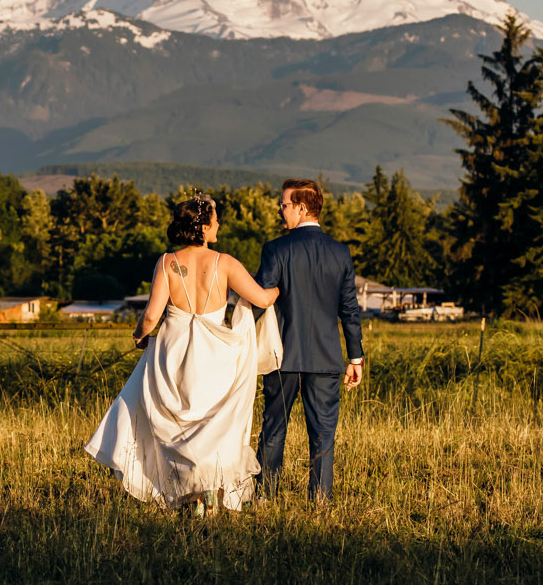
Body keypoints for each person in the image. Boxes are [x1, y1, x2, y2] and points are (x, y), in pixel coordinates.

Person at [84, 194, 281, 516]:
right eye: (215, 219)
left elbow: (151, 315)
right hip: (216, 357)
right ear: (203, 226)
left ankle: (182, 496)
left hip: (173, 354)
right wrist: (277, 287)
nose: (218, 224)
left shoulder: (167, 263)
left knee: (170, 424)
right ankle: (210, 502)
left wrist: (139, 335)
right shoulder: (225, 263)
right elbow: (261, 298)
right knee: (212, 427)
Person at [254, 177, 364, 502]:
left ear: (301, 208)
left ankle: (265, 498)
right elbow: (350, 310)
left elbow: (261, 299)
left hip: (280, 357)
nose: (279, 209)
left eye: (284, 204)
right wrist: (355, 358)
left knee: (274, 429)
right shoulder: (340, 252)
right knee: (323, 435)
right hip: (326, 358)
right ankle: (319, 501)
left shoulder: (276, 249)